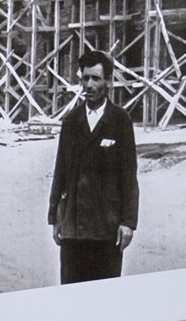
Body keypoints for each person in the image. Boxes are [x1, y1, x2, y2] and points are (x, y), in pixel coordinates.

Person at [48, 48, 139, 284]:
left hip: (106, 228)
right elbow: (60, 171)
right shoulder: (71, 121)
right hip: (73, 228)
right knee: (72, 296)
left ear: (107, 82)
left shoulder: (120, 120)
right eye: (85, 78)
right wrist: (55, 218)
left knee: (105, 296)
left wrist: (128, 222)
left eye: (96, 78)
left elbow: (129, 176)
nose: (89, 85)